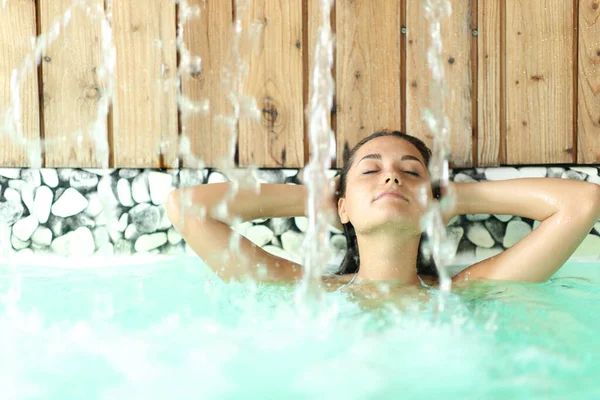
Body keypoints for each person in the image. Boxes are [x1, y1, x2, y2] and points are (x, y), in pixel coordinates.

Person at [166, 130, 600, 288]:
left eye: (411, 173)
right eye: (370, 172)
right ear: (344, 206)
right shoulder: (307, 291)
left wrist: (453, 200)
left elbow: (583, 202)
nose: (391, 178)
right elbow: (185, 208)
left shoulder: (466, 293)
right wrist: (316, 202)